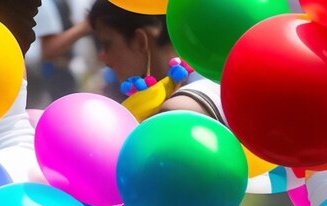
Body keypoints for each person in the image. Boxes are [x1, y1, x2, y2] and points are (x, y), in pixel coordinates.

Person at [87, 0, 225, 123]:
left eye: (107, 44)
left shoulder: (177, 110)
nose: (103, 58)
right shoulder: (209, 77)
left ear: (140, 41)